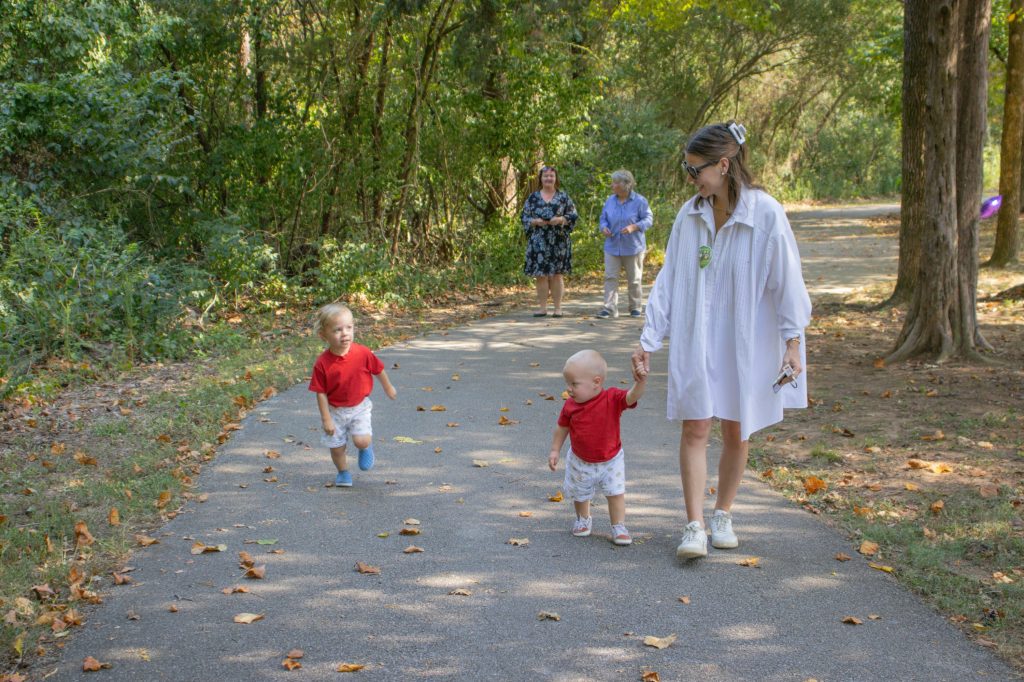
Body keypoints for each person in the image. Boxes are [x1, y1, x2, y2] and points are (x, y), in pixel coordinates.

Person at [631, 121, 811, 560]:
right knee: (696, 424)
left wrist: (792, 343)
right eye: (688, 170)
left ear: (724, 165)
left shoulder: (765, 213)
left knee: (736, 426)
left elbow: (787, 280)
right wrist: (648, 339)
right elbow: (669, 280)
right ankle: (693, 525)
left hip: (744, 338)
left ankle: (722, 514)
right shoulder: (688, 216)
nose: (692, 179)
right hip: (697, 337)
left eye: (696, 170)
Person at [548, 349, 647, 546]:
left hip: (611, 459)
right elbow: (562, 428)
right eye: (567, 384)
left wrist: (641, 382)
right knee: (579, 492)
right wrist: (555, 449)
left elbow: (632, 396)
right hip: (580, 459)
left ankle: (619, 525)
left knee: (615, 492)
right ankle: (583, 519)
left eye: (574, 384)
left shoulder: (612, 398)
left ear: (596, 382)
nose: (569, 389)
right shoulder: (570, 405)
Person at [309, 303, 397, 487]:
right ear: (323, 335)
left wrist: (388, 387)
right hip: (335, 411)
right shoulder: (322, 363)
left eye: (349, 327)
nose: (345, 333)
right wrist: (326, 419)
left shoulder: (362, 353)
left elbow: (378, 370)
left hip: (359, 407)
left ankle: (365, 448)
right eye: (337, 330)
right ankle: (343, 472)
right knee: (337, 448)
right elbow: (320, 392)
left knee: (361, 440)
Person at [521, 165, 578, 317]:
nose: (548, 178)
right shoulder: (533, 198)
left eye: (551, 176)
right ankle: (542, 308)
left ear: (555, 178)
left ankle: (558, 308)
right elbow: (524, 217)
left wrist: (561, 219)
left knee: (557, 274)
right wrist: (535, 221)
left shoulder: (563, 197)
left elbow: (573, 215)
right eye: (545, 176)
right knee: (541, 275)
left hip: (558, 240)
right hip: (538, 240)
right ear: (540, 178)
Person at [597, 169, 654, 319]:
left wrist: (634, 227)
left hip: (633, 246)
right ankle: (609, 308)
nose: (612, 185)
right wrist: (604, 227)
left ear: (626, 184)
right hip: (612, 245)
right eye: (613, 182)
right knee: (610, 277)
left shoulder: (640, 201)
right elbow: (603, 218)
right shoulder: (610, 200)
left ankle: (635, 307)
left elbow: (649, 219)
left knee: (634, 278)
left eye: (615, 183)